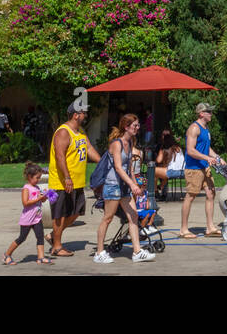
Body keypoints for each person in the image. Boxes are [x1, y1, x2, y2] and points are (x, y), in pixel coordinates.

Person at [92, 114, 155, 263]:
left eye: (138, 125)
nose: (138, 128)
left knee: (133, 217)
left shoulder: (130, 142)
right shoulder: (117, 143)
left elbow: (130, 169)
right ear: (126, 127)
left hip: (125, 187)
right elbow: (119, 168)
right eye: (135, 126)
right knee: (107, 218)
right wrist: (132, 185)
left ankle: (137, 252)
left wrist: (136, 186)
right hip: (113, 185)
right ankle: (99, 253)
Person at [48, 102, 101, 257]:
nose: (86, 115)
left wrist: (104, 162)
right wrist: (67, 177)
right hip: (61, 182)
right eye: (84, 112)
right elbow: (59, 156)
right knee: (59, 214)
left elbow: (89, 148)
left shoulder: (80, 131)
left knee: (76, 212)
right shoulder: (63, 132)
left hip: (77, 182)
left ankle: (53, 236)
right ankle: (56, 247)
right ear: (75, 115)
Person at [179, 102, 226, 239]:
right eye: (209, 112)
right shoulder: (194, 128)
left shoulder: (206, 129)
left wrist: (217, 158)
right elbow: (190, 150)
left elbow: (207, 148)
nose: (211, 114)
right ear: (201, 114)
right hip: (194, 169)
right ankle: (183, 229)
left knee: (211, 194)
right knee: (191, 196)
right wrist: (207, 158)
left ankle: (210, 227)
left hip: (204, 167)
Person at [2, 163, 50, 265]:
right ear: (29, 176)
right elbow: (25, 203)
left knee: (40, 237)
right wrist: (38, 198)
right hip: (27, 219)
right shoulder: (26, 188)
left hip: (37, 218)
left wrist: (44, 197)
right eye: (37, 178)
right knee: (22, 238)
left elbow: (41, 201)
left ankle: (41, 257)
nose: (38, 180)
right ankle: (7, 255)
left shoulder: (37, 187)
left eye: (39, 178)